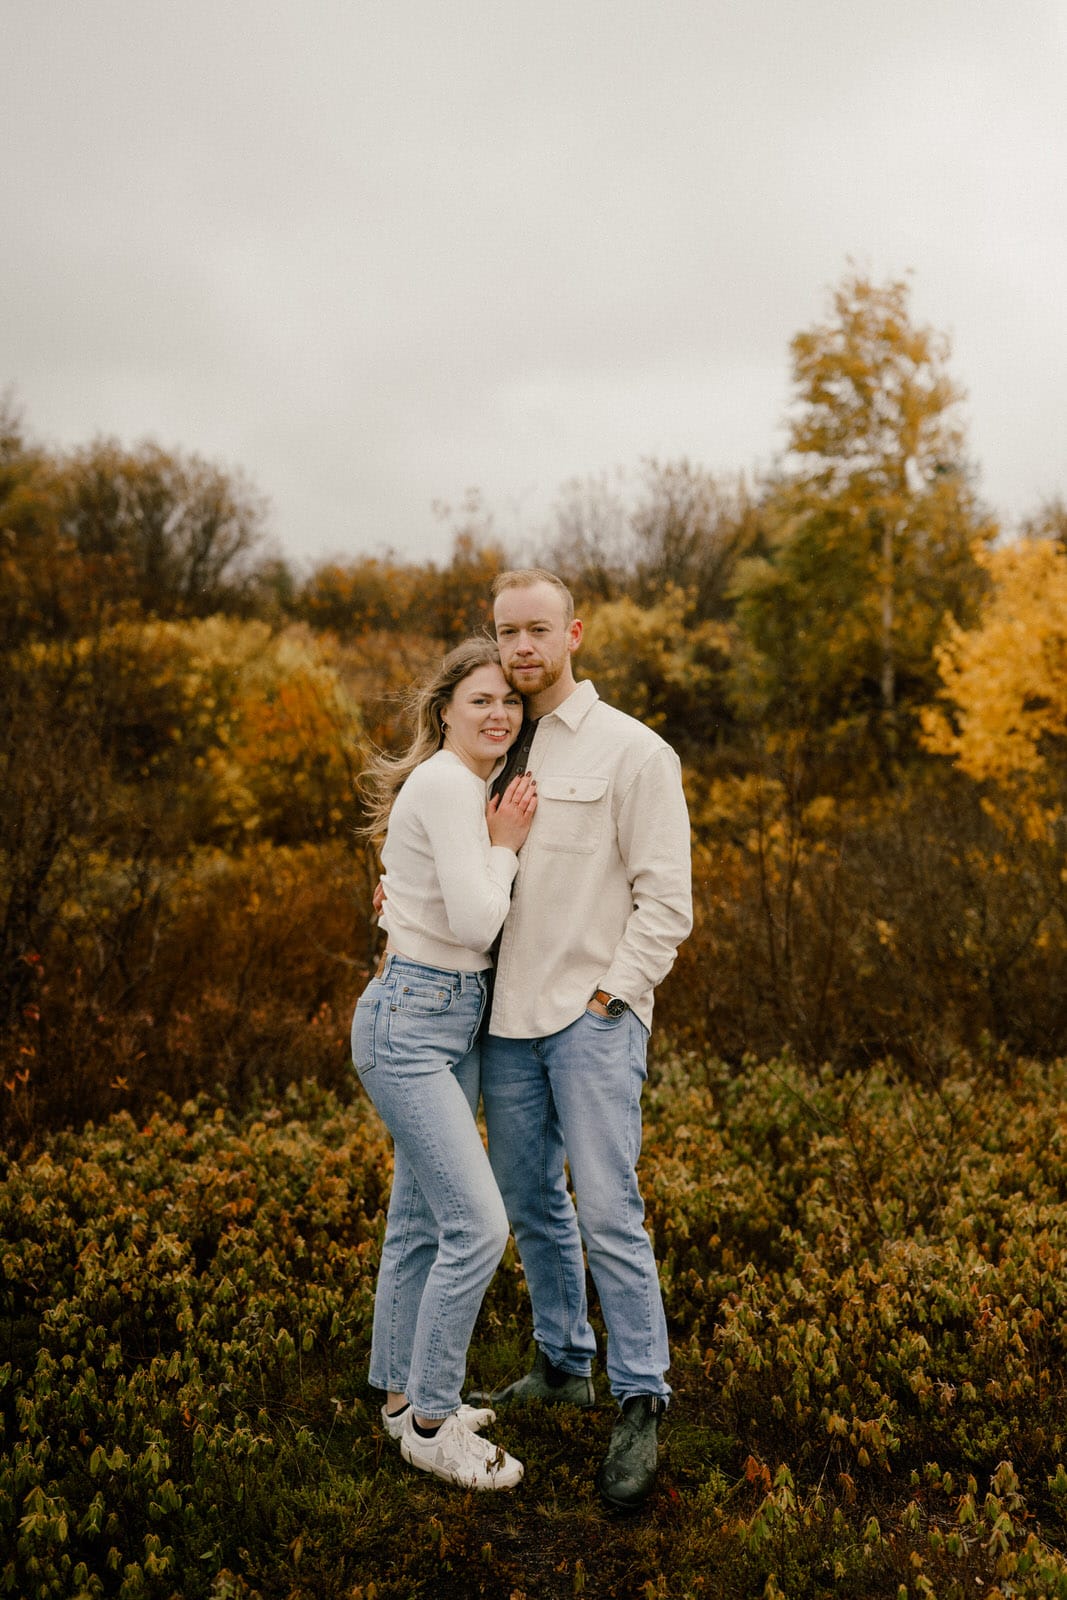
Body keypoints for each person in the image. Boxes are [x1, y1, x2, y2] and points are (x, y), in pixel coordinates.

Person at [471, 568, 693, 1513]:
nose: (521, 647)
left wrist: (611, 997)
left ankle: (641, 1396)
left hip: (590, 1016)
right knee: (530, 1202)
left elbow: (666, 901)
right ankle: (564, 1363)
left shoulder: (632, 750)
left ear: (574, 634)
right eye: (506, 632)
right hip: (504, 1020)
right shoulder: (486, 742)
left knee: (607, 1207)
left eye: (537, 629)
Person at [351, 636, 538, 1491]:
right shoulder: (449, 785)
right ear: (444, 711)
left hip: (445, 1018)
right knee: (478, 1226)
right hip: (411, 1024)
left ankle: (398, 1401)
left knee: (420, 1223)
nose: (499, 713)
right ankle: (432, 1423)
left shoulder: (465, 784)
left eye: (509, 700)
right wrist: (505, 845)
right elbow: (473, 922)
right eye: (480, 700)